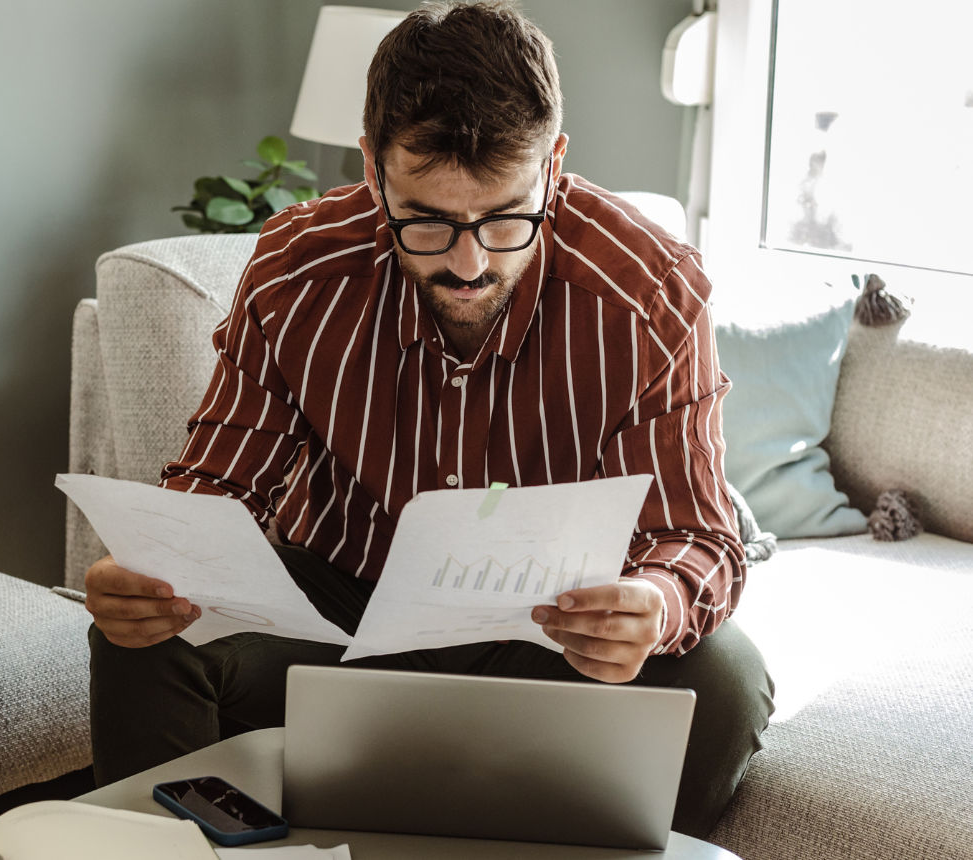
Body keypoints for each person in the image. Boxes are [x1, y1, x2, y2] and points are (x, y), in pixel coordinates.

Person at [85, 0, 773, 839]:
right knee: (146, 643)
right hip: (342, 615)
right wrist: (153, 572)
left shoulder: (647, 290)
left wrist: (654, 604)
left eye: (504, 216)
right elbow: (217, 487)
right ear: (372, 166)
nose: (470, 261)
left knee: (726, 678)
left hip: (549, 631)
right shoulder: (298, 269)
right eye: (429, 220)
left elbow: (698, 533)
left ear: (554, 165)